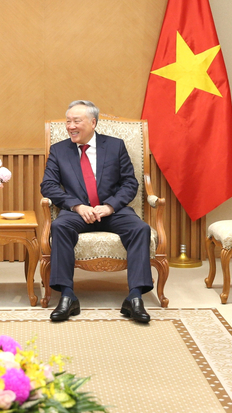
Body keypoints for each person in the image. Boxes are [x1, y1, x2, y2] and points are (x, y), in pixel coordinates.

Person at [40, 100, 153, 323]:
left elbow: (130, 183)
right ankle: (67, 295)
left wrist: (110, 206)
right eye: (68, 121)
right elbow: (49, 185)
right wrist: (77, 206)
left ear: (93, 123)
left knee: (140, 228)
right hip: (77, 211)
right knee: (59, 226)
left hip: (112, 210)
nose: (71, 126)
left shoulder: (115, 146)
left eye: (76, 121)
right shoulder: (59, 150)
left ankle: (135, 297)